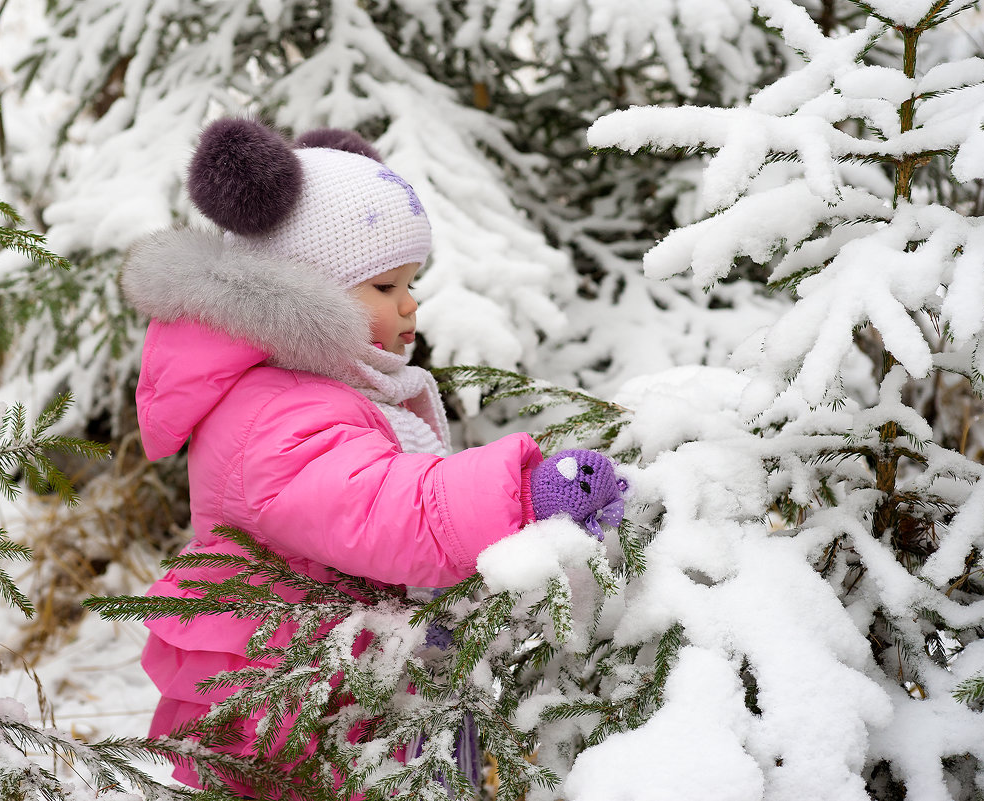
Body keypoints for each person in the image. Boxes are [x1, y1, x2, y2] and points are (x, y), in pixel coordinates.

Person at [120, 117, 626, 796]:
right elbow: (377, 506)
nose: (410, 304)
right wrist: (523, 491)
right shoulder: (275, 408)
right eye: (385, 287)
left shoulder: (316, 389)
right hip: (297, 695)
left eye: (410, 282)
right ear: (306, 292)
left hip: (334, 668)